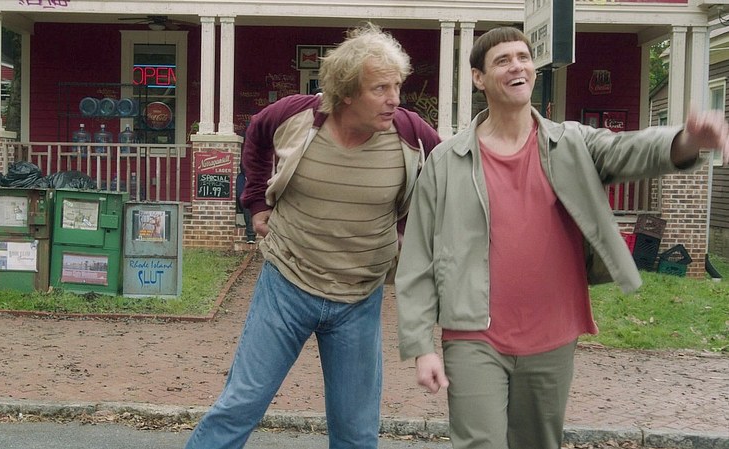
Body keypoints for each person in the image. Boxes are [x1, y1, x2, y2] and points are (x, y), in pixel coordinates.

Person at [395, 26, 729, 449]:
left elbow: (629, 150)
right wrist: (421, 345)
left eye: (523, 57)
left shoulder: (571, 143)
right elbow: (417, 259)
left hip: (552, 333)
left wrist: (686, 140)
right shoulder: (446, 161)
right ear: (478, 77)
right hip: (473, 334)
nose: (517, 66)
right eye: (502, 60)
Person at [184, 23, 441, 449]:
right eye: (380, 88)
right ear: (346, 92)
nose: (394, 99)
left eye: (397, 86)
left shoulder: (410, 133)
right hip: (286, 285)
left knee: (356, 430)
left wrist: (405, 231)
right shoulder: (295, 117)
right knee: (241, 404)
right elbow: (256, 137)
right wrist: (256, 203)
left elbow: (450, 174)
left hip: (359, 296)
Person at [235, 165, 256, 244]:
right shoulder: (241, 178)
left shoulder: (256, 176)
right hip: (246, 202)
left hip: (256, 200)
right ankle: (251, 236)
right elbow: (239, 193)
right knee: (247, 211)